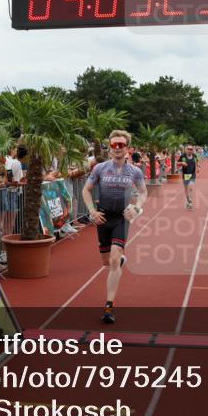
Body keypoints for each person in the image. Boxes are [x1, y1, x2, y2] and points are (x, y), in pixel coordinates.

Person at [82, 130, 147, 324]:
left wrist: (136, 208)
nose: (117, 148)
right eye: (114, 145)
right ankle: (118, 261)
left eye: (121, 145)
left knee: (114, 258)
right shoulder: (100, 168)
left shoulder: (135, 171)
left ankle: (109, 306)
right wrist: (92, 211)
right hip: (102, 218)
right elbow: (86, 190)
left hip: (121, 218)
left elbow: (143, 193)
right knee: (106, 262)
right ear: (109, 148)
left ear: (127, 148)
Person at [176, 144, 200, 210]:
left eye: (191, 149)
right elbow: (177, 163)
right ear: (186, 150)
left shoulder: (195, 156)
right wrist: (182, 163)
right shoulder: (183, 156)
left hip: (192, 174)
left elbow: (197, 162)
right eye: (188, 149)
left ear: (193, 150)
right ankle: (188, 201)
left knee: (191, 187)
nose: (189, 150)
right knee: (186, 189)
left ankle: (190, 202)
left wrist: (198, 167)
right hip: (185, 175)